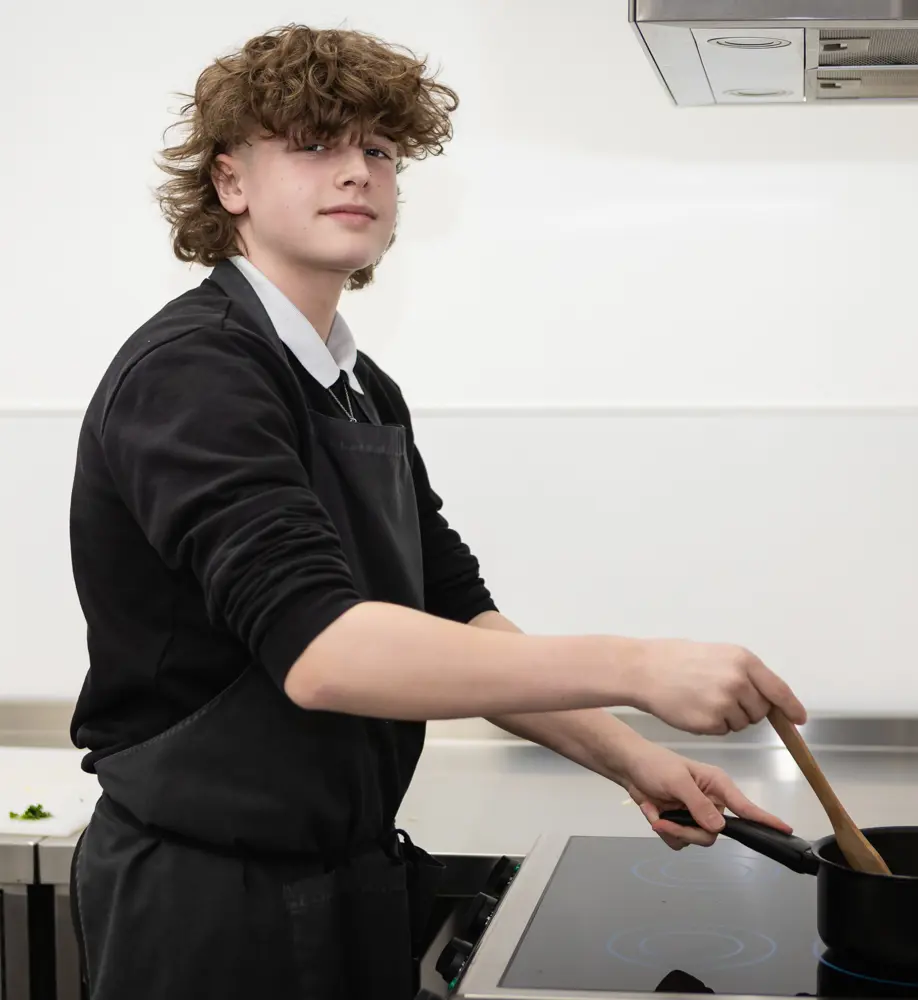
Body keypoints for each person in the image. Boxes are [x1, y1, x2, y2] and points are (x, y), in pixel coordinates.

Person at [67, 22, 808, 1000]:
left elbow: (454, 613)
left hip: (343, 879)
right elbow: (325, 655)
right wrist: (638, 665)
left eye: (378, 149)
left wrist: (632, 760)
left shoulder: (358, 386)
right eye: (315, 143)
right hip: (208, 904)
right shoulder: (195, 372)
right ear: (231, 182)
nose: (357, 171)